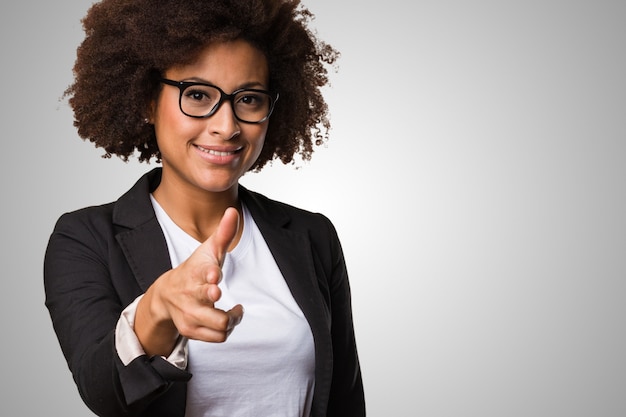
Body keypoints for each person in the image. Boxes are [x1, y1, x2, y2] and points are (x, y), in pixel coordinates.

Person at [43, 0, 365, 416]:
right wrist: (155, 310)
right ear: (145, 102)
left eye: (248, 99)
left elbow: (344, 401)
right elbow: (104, 394)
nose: (227, 125)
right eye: (197, 94)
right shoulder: (85, 239)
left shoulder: (312, 236)